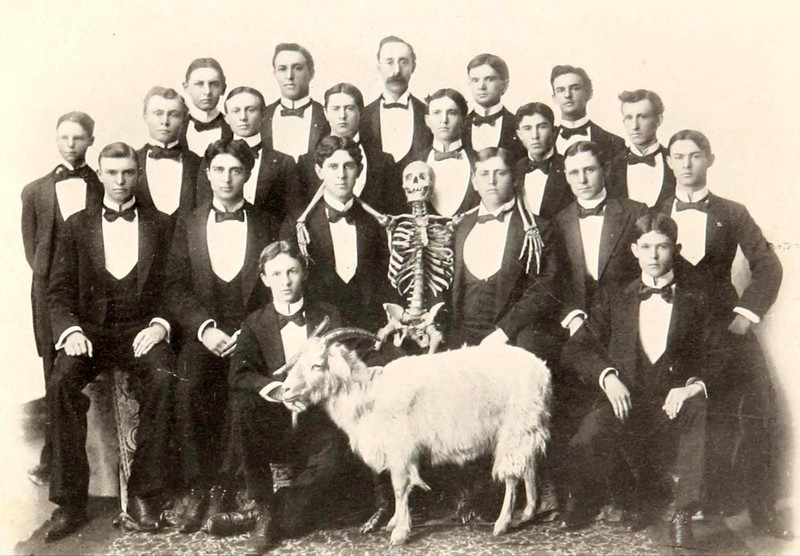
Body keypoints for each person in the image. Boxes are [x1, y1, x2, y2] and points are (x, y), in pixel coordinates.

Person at [559, 212, 722, 550]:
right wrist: (607, 378)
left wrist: (692, 386)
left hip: (673, 403)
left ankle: (682, 514)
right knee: (588, 437)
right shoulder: (616, 295)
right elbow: (577, 348)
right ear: (634, 250)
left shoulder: (698, 297)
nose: (653, 256)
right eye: (646, 247)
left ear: (676, 249)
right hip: (628, 399)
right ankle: (631, 498)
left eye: (662, 247)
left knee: (697, 406)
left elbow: (720, 353)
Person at [659, 130, 789, 539]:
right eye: (678, 156)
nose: (686, 164)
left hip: (724, 325)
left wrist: (746, 314)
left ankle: (762, 509)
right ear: (668, 162)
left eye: (695, 156)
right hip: (676, 329)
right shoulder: (654, 212)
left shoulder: (732, 212)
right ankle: (684, 509)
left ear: (709, 160)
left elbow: (768, 265)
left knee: (759, 406)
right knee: (687, 406)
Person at [44, 142, 176, 540]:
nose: (120, 181)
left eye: (128, 172)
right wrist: (71, 331)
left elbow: (174, 287)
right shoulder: (76, 226)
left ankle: (144, 494)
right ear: (99, 175)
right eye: (113, 173)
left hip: (141, 330)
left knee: (165, 377)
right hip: (91, 333)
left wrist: (160, 325)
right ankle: (70, 502)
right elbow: (57, 292)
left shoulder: (161, 224)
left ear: (138, 174)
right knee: (61, 381)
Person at [164, 138, 278, 533]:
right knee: (189, 385)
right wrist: (204, 328)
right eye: (219, 170)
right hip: (205, 332)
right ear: (208, 174)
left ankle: (225, 489)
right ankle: (200, 487)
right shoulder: (188, 222)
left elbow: (274, 290)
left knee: (241, 393)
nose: (226, 179)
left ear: (247, 174)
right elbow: (175, 287)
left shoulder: (266, 223)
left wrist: (249, 331)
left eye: (235, 170)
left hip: (253, 333)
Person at [226, 241, 351, 554]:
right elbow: (239, 374)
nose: (285, 281)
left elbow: (341, 370)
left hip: (318, 422)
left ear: (304, 273)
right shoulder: (254, 323)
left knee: (297, 522)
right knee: (243, 404)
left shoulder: (328, 315)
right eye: (276, 274)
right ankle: (262, 505)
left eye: (292, 271)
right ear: (264, 279)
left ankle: (261, 515)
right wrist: (278, 391)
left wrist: (310, 393)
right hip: (275, 425)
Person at [21, 111, 104, 486]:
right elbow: (33, 249)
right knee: (52, 373)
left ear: (91, 141)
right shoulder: (34, 191)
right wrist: (54, 280)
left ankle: (88, 459)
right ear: (56, 139)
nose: (71, 144)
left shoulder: (102, 184)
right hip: (49, 294)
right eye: (64, 137)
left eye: (79, 138)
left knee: (75, 373)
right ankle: (51, 460)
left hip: (94, 291)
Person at [283, 136, 390, 332]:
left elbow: (384, 280)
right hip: (318, 329)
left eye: (348, 166)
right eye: (333, 167)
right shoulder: (298, 224)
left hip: (370, 328)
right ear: (319, 171)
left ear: (359, 170)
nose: (341, 175)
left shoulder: (375, 223)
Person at [554, 141, 647, 336]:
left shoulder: (635, 212)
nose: (582, 180)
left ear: (605, 169)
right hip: (579, 321)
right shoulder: (559, 221)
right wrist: (573, 317)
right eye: (574, 173)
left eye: (589, 170)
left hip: (628, 318)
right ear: (566, 176)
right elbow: (559, 280)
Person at [197, 86, 302, 223]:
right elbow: (201, 208)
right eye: (236, 111)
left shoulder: (284, 162)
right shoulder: (212, 159)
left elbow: (294, 213)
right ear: (226, 117)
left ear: (264, 115)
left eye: (250, 110)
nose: (243, 117)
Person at [298, 83, 402, 214]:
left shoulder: (384, 161)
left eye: (349, 108)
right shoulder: (306, 162)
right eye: (336, 109)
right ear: (325, 113)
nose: (342, 115)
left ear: (361, 112)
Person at [360, 35, 432, 170]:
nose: (397, 71)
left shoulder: (429, 114)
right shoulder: (363, 116)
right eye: (389, 62)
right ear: (378, 67)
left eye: (403, 62)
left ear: (413, 67)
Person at [137, 86, 202, 224]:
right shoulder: (131, 162)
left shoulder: (198, 163)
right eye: (158, 113)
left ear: (184, 119)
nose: (165, 122)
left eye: (173, 115)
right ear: (145, 116)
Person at [413, 88, 478, 216]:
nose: (444, 120)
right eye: (436, 113)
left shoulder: (478, 160)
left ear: (463, 119)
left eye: (452, 113)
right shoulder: (413, 163)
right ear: (427, 120)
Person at [606, 90, 676, 206]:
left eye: (642, 117)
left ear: (659, 120)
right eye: (629, 117)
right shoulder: (611, 167)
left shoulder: (676, 162)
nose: (634, 126)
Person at [262, 43, 329, 161]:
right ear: (275, 74)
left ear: (311, 73)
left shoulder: (326, 115)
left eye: (297, 68)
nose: (289, 76)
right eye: (282, 69)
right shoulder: (263, 116)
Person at [513, 102, 573, 219]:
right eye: (527, 128)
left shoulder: (569, 166)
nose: (535, 136)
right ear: (519, 134)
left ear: (553, 131)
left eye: (542, 127)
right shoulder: (514, 169)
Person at [550, 65, 624, 157]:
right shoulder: (545, 140)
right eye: (560, 90)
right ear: (554, 98)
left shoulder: (613, 143)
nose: (567, 95)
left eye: (575, 88)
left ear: (589, 94)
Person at [463, 54, 525, 161]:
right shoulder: (459, 126)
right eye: (475, 80)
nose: (481, 86)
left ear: (504, 85)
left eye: (489, 79)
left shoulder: (518, 125)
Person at [180, 58, 233, 156]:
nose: (207, 92)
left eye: (214, 85)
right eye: (199, 84)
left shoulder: (233, 127)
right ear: (186, 88)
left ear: (223, 89)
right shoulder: (176, 127)